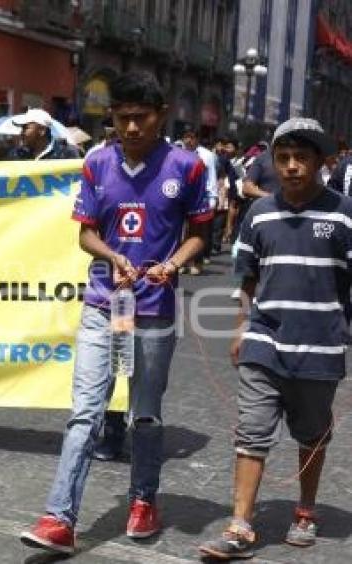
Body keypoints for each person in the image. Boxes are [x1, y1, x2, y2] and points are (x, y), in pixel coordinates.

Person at [20, 72, 212, 554]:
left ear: (161, 114)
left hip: (154, 311)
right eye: (122, 118)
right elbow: (84, 233)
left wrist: (171, 264)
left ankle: (144, 499)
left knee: (144, 415)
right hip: (104, 306)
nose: (130, 128)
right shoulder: (96, 162)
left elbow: (199, 235)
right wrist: (111, 256)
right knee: (85, 412)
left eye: (140, 118)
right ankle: (58, 517)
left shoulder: (187, 167)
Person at [198, 118, 347, 560]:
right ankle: (240, 524)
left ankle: (304, 511)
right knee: (251, 432)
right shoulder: (259, 215)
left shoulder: (344, 213)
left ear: (321, 162)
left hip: (320, 347)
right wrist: (242, 326)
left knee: (313, 434)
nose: (292, 167)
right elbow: (246, 275)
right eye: (283, 159)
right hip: (264, 341)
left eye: (302, 158)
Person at [180, 128, 218, 274]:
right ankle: (182, 262)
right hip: (182, 197)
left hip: (201, 198)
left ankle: (196, 262)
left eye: (192, 137)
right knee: (182, 232)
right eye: (186, 137)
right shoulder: (177, 154)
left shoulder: (207, 156)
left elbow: (212, 177)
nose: (189, 141)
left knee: (197, 232)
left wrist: (213, 199)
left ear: (197, 140)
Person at [10, 108, 80, 160]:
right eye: (22, 128)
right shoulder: (17, 154)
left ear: (42, 130)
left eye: (26, 128)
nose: (21, 133)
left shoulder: (66, 153)